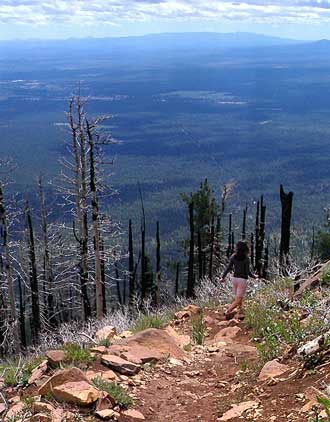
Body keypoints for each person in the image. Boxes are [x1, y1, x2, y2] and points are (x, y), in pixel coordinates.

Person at [219, 240, 257, 319]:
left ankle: (240, 312)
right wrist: (254, 276)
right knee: (238, 299)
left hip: (234, 279)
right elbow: (247, 272)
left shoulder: (233, 256)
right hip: (242, 280)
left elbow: (228, 268)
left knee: (239, 297)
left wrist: (223, 277)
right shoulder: (246, 259)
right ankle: (228, 311)